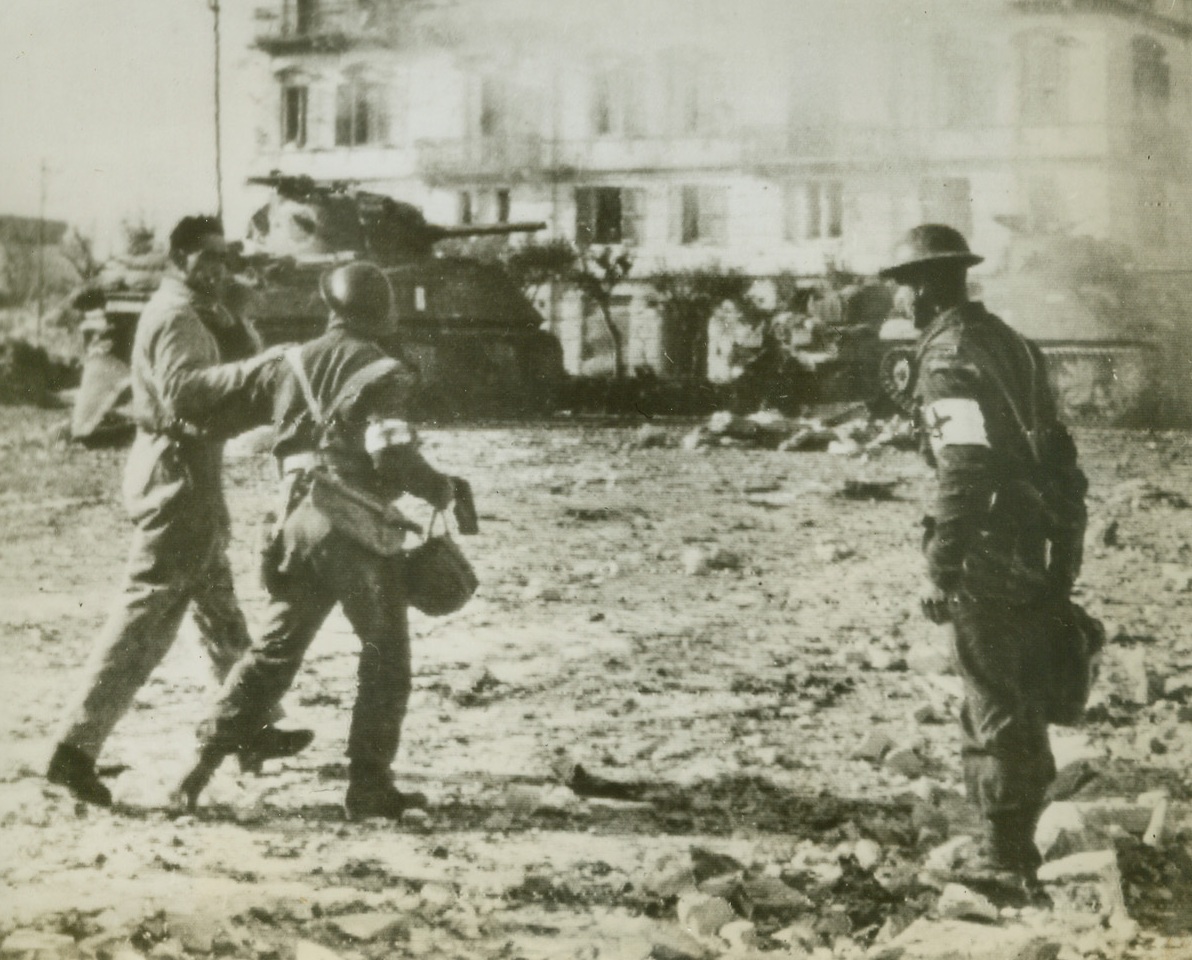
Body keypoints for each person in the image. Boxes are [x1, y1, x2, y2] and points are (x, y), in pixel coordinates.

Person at [48, 215, 313, 807]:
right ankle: (74, 750)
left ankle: (254, 727)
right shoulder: (175, 316)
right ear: (180, 258)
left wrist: (239, 319)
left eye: (225, 257)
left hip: (187, 473)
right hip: (178, 480)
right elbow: (187, 391)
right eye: (207, 258)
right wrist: (266, 367)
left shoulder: (199, 310)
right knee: (144, 621)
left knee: (219, 610)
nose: (219, 267)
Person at [176, 261, 456, 820]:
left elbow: (204, 400)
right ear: (381, 313)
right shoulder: (387, 371)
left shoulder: (288, 360)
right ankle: (369, 786)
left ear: (331, 307)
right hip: (350, 528)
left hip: (293, 524)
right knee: (386, 658)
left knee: (275, 653)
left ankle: (196, 770)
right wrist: (439, 487)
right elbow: (389, 453)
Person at [879, 224, 1089, 891]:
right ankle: (1018, 841)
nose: (903, 305)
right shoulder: (1015, 346)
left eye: (906, 289)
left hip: (984, 554)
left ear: (922, 289)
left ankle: (1005, 857)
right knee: (1022, 695)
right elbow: (1061, 461)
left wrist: (942, 569)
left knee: (993, 699)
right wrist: (1064, 560)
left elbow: (963, 469)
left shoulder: (947, 360)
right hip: (1031, 543)